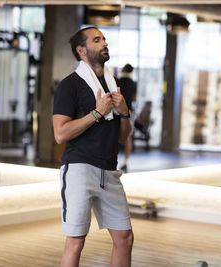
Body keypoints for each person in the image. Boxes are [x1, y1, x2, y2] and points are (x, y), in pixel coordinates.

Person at [52, 26, 133, 267]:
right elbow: (60, 133)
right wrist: (98, 113)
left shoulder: (112, 83)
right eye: (96, 40)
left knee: (124, 238)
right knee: (76, 241)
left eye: (104, 39)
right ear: (82, 50)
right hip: (79, 169)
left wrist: (125, 112)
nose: (104, 43)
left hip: (109, 170)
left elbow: (123, 136)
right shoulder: (71, 85)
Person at [117, 63, 137, 172]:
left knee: (114, 134)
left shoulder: (118, 81)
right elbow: (134, 98)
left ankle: (113, 160)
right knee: (128, 137)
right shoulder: (133, 83)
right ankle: (125, 162)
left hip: (117, 111)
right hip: (129, 111)